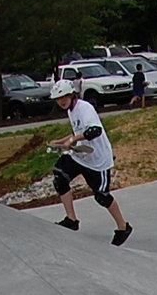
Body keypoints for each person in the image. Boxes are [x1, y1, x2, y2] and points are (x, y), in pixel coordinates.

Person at [50, 82, 131, 246]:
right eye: (58, 99)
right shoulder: (71, 110)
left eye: (64, 97)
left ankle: (123, 227)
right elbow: (78, 130)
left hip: (97, 160)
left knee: (102, 196)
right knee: (60, 175)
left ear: (72, 95)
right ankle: (71, 220)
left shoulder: (85, 108)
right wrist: (60, 141)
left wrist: (72, 140)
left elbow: (94, 131)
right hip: (81, 154)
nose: (61, 101)